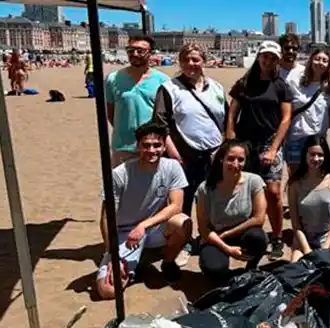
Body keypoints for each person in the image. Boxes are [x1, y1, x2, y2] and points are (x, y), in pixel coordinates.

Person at [95, 122, 191, 299]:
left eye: (157, 145)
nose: (152, 150)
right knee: (108, 291)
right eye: (146, 145)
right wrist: (112, 255)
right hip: (126, 232)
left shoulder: (172, 167)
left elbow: (176, 205)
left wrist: (143, 226)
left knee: (182, 222)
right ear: (138, 146)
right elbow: (107, 217)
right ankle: (130, 263)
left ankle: (168, 262)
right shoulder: (120, 174)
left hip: (154, 227)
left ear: (164, 147)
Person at [226, 40, 292, 259]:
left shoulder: (281, 85)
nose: (268, 61)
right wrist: (230, 139)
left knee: (273, 192)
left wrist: (274, 148)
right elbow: (232, 113)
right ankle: (246, 235)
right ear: (259, 57)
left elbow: (285, 119)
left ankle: (276, 237)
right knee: (244, 190)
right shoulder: (245, 82)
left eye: (273, 58)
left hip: (269, 141)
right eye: (265, 56)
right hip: (245, 143)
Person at [153, 43, 227, 219]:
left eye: (195, 59)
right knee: (183, 202)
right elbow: (160, 124)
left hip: (214, 154)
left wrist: (222, 148)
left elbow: (226, 120)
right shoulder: (169, 88)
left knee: (212, 201)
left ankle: (208, 239)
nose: (190, 64)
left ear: (204, 61)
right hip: (184, 156)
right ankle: (183, 239)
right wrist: (175, 156)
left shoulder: (216, 87)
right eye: (185, 60)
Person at [196, 140, 268, 284]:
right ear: (221, 158)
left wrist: (228, 234)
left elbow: (259, 218)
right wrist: (228, 249)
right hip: (215, 237)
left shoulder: (254, 181)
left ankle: (251, 267)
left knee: (258, 238)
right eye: (231, 159)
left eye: (240, 160)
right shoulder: (205, 189)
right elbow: (203, 228)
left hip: (242, 232)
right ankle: (226, 278)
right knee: (214, 269)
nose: (236, 164)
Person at [105, 36, 170, 167]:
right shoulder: (113, 79)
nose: (134, 54)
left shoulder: (163, 81)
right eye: (130, 50)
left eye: (140, 51)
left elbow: (167, 116)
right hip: (123, 146)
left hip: (153, 146)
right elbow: (111, 113)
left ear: (150, 53)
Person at [288, 136, 330, 261]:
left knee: (327, 269)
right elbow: (295, 224)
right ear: (305, 155)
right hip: (304, 237)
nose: (316, 159)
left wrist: (326, 246)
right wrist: (307, 250)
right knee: (296, 268)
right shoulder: (295, 184)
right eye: (312, 154)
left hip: (328, 236)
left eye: (320, 155)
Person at [284, 48, 330, 177]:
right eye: (317, 59)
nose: (320, 63)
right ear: (310, 61)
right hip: (297, 137)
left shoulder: (329, 87)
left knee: (315, 179)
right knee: (295, 179)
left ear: (328, 65)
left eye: (324, 60)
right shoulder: (296, 80)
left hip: (317, 140)